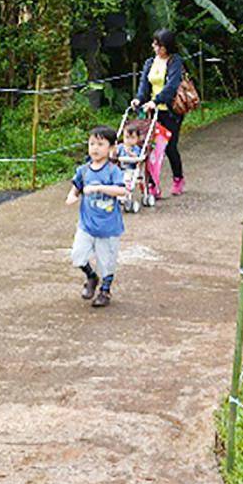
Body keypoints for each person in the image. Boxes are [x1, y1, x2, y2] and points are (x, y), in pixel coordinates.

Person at [67, 126, 129, 308]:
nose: (95, 148)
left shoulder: (113, 171)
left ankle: (105, 291)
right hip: (86, 225)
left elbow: (122, 190)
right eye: (92, 143)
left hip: (108, 227)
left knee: (106, 262)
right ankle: (91, 277)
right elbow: (76, 186)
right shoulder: (84, 170)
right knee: (77, 255)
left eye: (100, 144)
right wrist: (72, 195)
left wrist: (99, 188)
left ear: (111, 148)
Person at [134, 28, 188, 196]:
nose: (155, 48)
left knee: (170, 147)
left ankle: (178, 178)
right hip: (152, 112)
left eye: (159, 45)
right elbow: (144, 84)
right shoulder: (150, 62)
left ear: (167, 47)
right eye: (155, 44)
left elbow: (172, 86)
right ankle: (152, 184)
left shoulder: (175, 61)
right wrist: (139, 99)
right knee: (150, 149)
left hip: (170, 111)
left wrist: (156, 101)